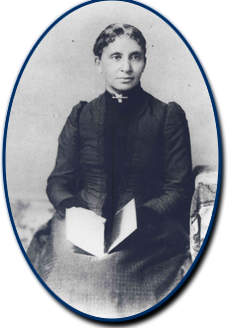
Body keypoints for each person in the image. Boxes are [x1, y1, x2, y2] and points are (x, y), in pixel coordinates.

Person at [27, 23, 194, 318]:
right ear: (98, 63)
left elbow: (178, 188)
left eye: (135, 56)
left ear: (144, 61)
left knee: (112, 270)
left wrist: (141, 217)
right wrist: (76, 209)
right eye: (115, 57)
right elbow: (59, 181)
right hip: (82, 222)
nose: (126, 67)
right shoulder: (81, 115)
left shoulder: (167, 115)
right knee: (70, 270)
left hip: (147, 224)